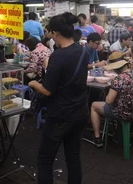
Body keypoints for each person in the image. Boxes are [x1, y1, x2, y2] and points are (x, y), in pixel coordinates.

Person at [28, 13, 89, 184]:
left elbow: (47, 90)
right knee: (73, 157)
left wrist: (33, 84)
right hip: (80, 112)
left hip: (61, 115)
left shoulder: (58, 56)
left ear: (55, 34)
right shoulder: (82, 51)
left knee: (45, 159)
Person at [90, 51, 133, 148]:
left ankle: (97, 138)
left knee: (94, 105)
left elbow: (109, 101)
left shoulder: (119, 79)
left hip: (123, 113)